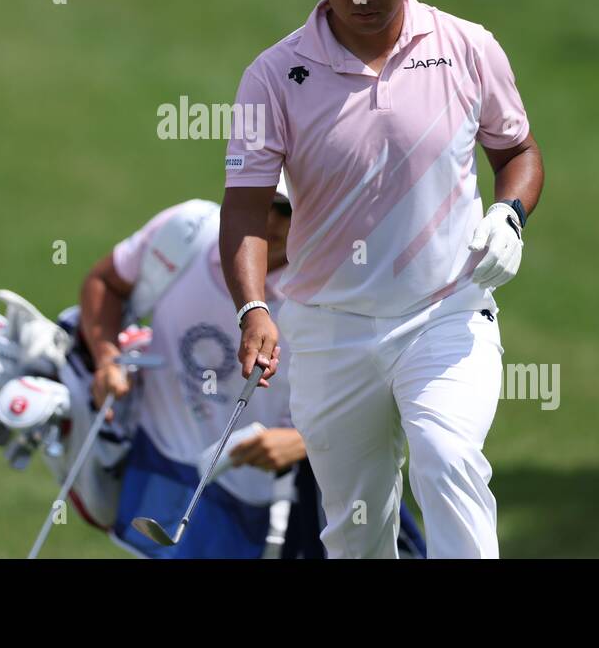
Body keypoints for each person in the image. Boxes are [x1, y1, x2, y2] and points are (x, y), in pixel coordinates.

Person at [220, 0, 544, 558]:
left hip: (445, 310)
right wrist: (253, 308)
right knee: (357, 534)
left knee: (447, 455)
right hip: (329, 328)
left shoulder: (468, 47)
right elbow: (247, 206)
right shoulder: (271, 78)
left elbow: (516, 151)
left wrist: (509, 215)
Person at [78, 180, 426, 558]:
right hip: (158, 452)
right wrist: (107, 357)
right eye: (266, 203)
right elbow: (106, 283)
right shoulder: (186, 231)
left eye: (290, 211)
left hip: (255, 491)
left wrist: (301, 443)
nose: (273, 222)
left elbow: (385, 400)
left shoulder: (345, 296)